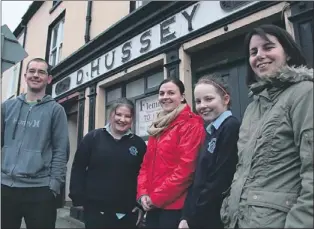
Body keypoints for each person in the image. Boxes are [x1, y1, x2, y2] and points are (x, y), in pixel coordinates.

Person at [220, 24, 313, 228]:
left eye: (268, 47)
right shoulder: (253, 107)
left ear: (287, 53)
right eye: (253, 52)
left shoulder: (304, 93)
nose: (259, 56)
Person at [1, 58, 69, 229]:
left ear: (49, 79)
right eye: (32, 71)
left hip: (40, 189)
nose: (36, 75)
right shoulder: (7, 107)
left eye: (41, 72)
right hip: (6, 188)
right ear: (25, 76)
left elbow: (61, 150)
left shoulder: (56, 110)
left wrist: (53, 186)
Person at [137, 78, 205, 228]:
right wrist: (142, 194)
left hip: (175, 207)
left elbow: (186, 170)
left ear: (182, 97)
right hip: (152, 204)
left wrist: (155, 198)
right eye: (161, 93)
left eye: (171, 93)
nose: (165, 96)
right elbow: (146, 165)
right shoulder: (158, 125)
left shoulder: (192, 124)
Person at [69, 98, 147, 229]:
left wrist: (140, 205)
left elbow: (144, 174)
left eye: (127, 116)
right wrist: (78, 198)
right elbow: (79, 168)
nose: (122, 119)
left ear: (132, 119)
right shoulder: (93, 138)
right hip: (95, 211)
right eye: (119, 114)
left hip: (127, 212)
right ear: (111, 115)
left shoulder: (138, 144)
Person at [179, 76, 240, 229]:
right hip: (199, 214)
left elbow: (219, 180)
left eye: (209, 99)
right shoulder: (210, 131)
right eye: (198, 101)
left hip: (213, 216)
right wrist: (186, 215)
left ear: (225, 99)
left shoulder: (230, 127)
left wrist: (193, 218)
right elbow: (199, 177)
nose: (202, 106)